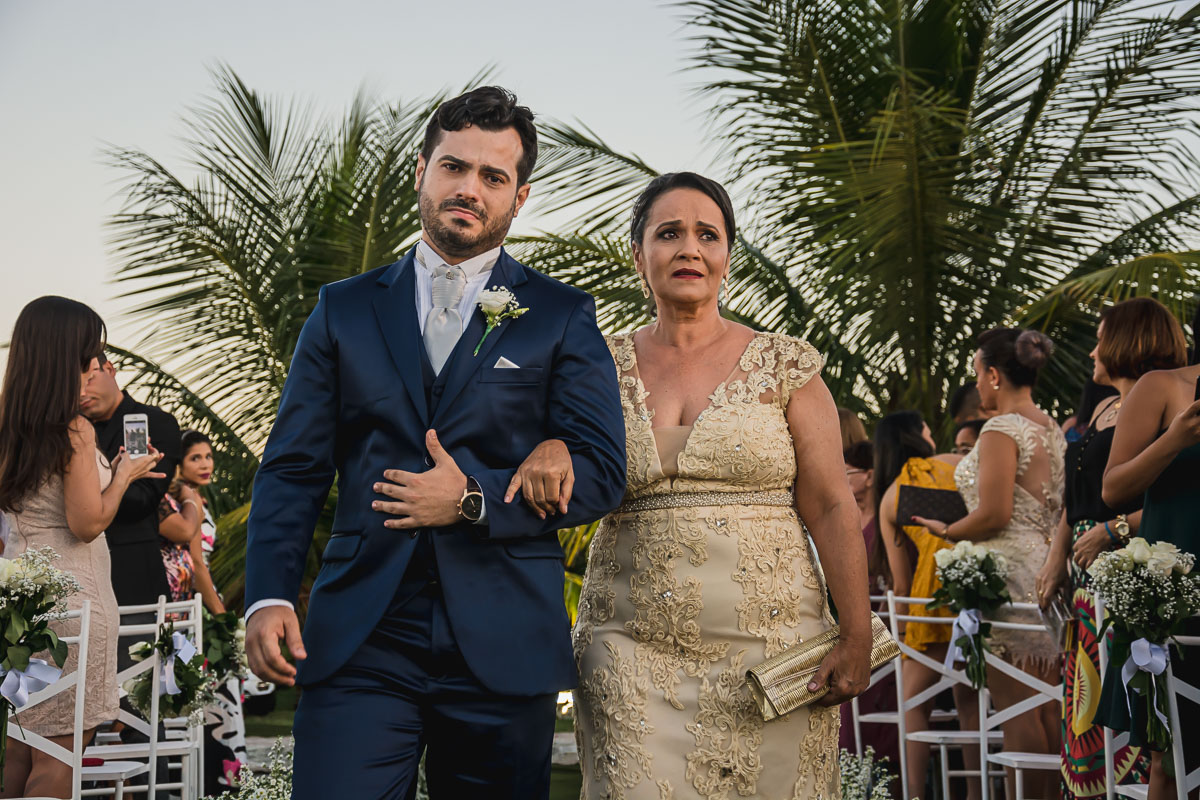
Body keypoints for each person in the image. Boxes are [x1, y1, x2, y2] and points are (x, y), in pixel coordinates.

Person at [243, 86, 627, 800]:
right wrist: (267, 596)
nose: (469, 189)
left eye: (493, 177)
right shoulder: (343, 309)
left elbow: (604, 471)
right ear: (421, 170)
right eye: (454, 167)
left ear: (520, 197)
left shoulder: (561, 315)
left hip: (505, 638)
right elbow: (293, 468)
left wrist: (475, 498)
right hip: (364, 634)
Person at [573, 172, 871, 799]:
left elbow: (830, 504)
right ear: (638, 255)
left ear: (727, 256)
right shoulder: (593, 365)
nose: (689, 248)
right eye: (669, 233)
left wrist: (856, 631)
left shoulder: (786, 364)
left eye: (707, 234)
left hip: (773, 648)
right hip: (626, 645)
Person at [0, 297, 163, 798]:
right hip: (72, 611)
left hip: (20, 611)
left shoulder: (8, 430)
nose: (96, 365)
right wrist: (123, 476)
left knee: (20, 751)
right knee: (57, 759)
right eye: (91, 352)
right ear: (65, 356)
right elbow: (87, 523)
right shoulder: (74, 430)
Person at [1036, 298, 1186, 798]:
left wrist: (1115, 528)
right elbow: (1076, 494)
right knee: (1084, 700)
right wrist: (1058, 554)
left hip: (1131, 562)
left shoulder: (1164, 401)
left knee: (1134, 712)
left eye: (1102, 337)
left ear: (1129, 340)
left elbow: (1169, 494)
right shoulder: (1099, 407)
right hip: (1085, 570)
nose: (1094, 350)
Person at [913, 327, 1065, 799]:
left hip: (1007, 576)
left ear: (994, 375)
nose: (977, 384)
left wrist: (948, 532)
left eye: (977, 374)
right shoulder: (1049, 426)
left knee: (1017, 707)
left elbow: (996, 512)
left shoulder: (1001, 429)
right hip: (1046, 572)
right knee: (1048, 706)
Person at [1100, 306, 1200, 800]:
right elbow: (1114, 490)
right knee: (1171, 755)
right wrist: (1176, 439)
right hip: (1173, 593)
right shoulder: (1164, 387)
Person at [874, 411, 979, 800]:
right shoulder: (959, 463)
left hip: (929, 601)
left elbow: (900, 584)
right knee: (970, 698)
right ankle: (974, 791)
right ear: (918, 436)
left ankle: (915, 794)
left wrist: (900, 643)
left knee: (914, 703)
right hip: (977, 588)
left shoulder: (890, 497)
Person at [80, 353, 179, 612]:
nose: (80, 392)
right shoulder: (68, 431)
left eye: (89, 378)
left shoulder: (157, 422)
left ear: (109, 369)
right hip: (78, 582)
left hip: (134, 578)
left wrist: (85, 480)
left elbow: (142, 499)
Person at [839, 440, 902, 772]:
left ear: (869, 475)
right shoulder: (848, 515)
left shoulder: (884, 519)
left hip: (880, 628)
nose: (842, 478)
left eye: (848, 471)